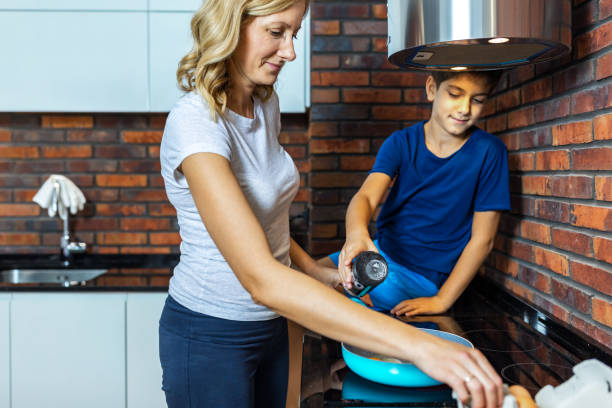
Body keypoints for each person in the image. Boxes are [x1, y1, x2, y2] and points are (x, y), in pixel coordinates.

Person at [158, 0, 504, 407]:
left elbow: (265, 226)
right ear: (231, 25)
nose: (289, 51)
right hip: (211, 335)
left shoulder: (263, 105)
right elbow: (261, 278)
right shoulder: (195, 123)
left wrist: (319, 274)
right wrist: (421, 346)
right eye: (276, 32)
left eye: (295, 34)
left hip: (273, 327)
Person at [320, 70, 510, 318]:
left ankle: (365, 342)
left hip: (423, 276)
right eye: (455, 94)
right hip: (381, 253)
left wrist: (442, 300)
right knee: (306, 275)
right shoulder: (401, 142)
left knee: (318, 292)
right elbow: (366, 197)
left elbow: (482, 241)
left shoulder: (490, 152)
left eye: (478, 100)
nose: (465, 108)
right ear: (432, 89)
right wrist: (356, 234)